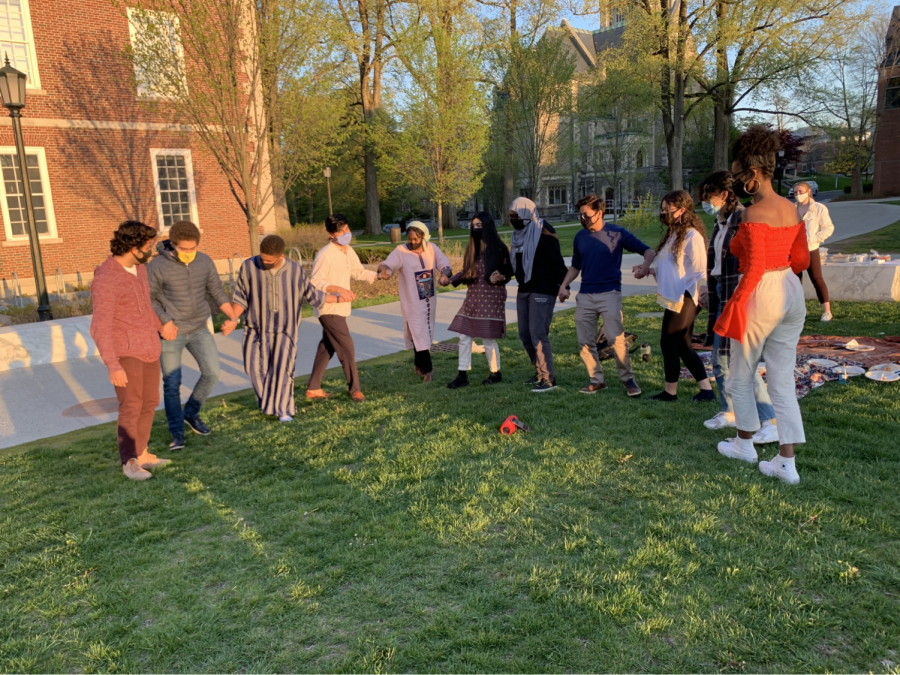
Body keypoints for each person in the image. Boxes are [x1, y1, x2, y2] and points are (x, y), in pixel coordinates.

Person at [714, 124, 810, 484]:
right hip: (789, 287)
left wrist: (733, 310)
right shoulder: (791, 209)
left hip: (762, 290)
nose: (734, 182)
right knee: (782, 380)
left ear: (752, 174)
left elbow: (750, 268)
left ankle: (744, 444)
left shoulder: (753, 215)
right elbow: (799, 259)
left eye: (737, 175)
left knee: (742, 372)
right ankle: (786, 463)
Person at [224, 234, 347, 422]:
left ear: (281, 256)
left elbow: (313, 296)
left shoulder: (295, 271)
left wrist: (338, 298)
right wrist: (233, 319)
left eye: (269, 261)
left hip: (285, 329)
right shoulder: (249, 266)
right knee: (253, 369)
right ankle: (269, 404)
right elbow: (241, 296)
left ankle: (284, 410)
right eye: (262, 258)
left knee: (282, 370)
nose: (264, 262)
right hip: (254, 328)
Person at [699, 173, 779, 443]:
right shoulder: (719, 221)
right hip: (723, 291)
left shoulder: (742, 218)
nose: (704, 203)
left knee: (742, 360)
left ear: (724, 195)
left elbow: (754, 260)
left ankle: (770, 419)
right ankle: (729, 411)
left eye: (708, 197)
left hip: (742, 294)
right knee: (719, 359)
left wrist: (742, 298)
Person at [91, 221, 173, 480]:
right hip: (126, 352)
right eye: (148, 247)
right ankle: (129, 462)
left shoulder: (140, 269)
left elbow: (145, 307)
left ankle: (143, 453)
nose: (151, 251)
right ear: (134, 247)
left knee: (150, 401)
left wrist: (160, 326)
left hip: (149, 347)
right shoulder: (107, 279)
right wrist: (112, 364)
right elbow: (100, 326)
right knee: (131, 405)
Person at [148, 220, 238, 451]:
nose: (189, 253)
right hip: (172, 332)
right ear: (173, 244)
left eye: (192, 248)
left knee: (212, 373)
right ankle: (176, 432)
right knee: (172, 384)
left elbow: (216, 290)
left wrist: (232, 316)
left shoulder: (204, 261)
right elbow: (149, 298)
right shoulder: (157, 265)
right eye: (184, 249)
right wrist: (164, 321)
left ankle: (191, 413)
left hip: (199, 328)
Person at [558, 194, 653, 397]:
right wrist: (564, 285)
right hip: (585, 296)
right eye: (580, 215)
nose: (582, 218)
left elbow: (648, 251)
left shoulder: (617, 233)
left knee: (615, 338)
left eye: (586, 214)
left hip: (610, 293)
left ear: (599, 213)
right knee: (584, 341)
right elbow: (576, 266)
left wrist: (645, 267)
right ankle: (596, 380)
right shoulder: (580, 237)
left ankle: (628, 379)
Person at [646, 190, 715, 402]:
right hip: (672, 296)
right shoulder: (673, 234)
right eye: (662, 209)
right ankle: (706, 390)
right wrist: (649, 270)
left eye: (668, 209)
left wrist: (702, 292)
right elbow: (672, 268)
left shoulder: (692, 236)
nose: (663, 212)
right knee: (683, 344)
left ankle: (670, 392)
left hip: (685, 296)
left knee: (668, 343)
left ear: (682, 210)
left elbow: (699, 270)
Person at [307, 214, 374, 402]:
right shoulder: (325, 254)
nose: (346, 233)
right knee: (346, 348)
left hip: (341, 308)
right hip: (328, 309)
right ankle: (355, 390)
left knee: (327, 347)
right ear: (331, 234)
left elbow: (358, 271)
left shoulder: (348, 250)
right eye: (341, 231)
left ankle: (313, 388)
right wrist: (338, 289)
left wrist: (378, 275)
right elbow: (315, 282)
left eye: (346, 228)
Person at [443, 212, 513, 389]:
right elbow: (467, 272)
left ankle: (495, 373)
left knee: (488, 339)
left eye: (479, 225)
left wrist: (502, 276)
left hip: (492, 298)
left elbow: (509, 270)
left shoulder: (499, 248)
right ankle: (462, 375)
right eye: (473, 225)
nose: (475, 229)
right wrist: (450, 280)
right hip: (473, 298)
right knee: (464, 336)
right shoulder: (471, 249)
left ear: (488, 226)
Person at [377, 221, 451, 383]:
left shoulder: (432, 249)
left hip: (429, 301)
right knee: (416, 333)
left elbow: (444, 264)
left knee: (422, 334)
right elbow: (388, 264)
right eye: (409, 239)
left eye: (415, 239)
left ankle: (419, 365)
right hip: (411, 302)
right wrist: (385, 271)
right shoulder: (401, 251)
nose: (411, 242)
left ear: (423, 237)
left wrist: (445, 275)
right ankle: (428, 370)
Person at [509, 197, 568, 392]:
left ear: (526, 213)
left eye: (516, 215)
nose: (513, 219)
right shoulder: (517, 234)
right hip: (524, 287)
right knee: (525, 334)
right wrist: (502, 273)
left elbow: (556, 260)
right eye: (511, 216)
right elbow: (515, 263)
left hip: (544, 287)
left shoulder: (544, 230)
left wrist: (564, 285)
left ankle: (548, 378)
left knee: (538, 332)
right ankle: (539, 371)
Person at [794, 180, 834, 321]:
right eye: (795, 192)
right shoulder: (792, 209)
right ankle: (796, 312)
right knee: (795, 282)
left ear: (808, 191)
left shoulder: (819, 208)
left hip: (811, 249)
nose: (798, 195)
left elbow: (828, 228)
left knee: (817, 279)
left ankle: (827, 311)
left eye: (801, 192)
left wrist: (814, 239)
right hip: (794, 251)